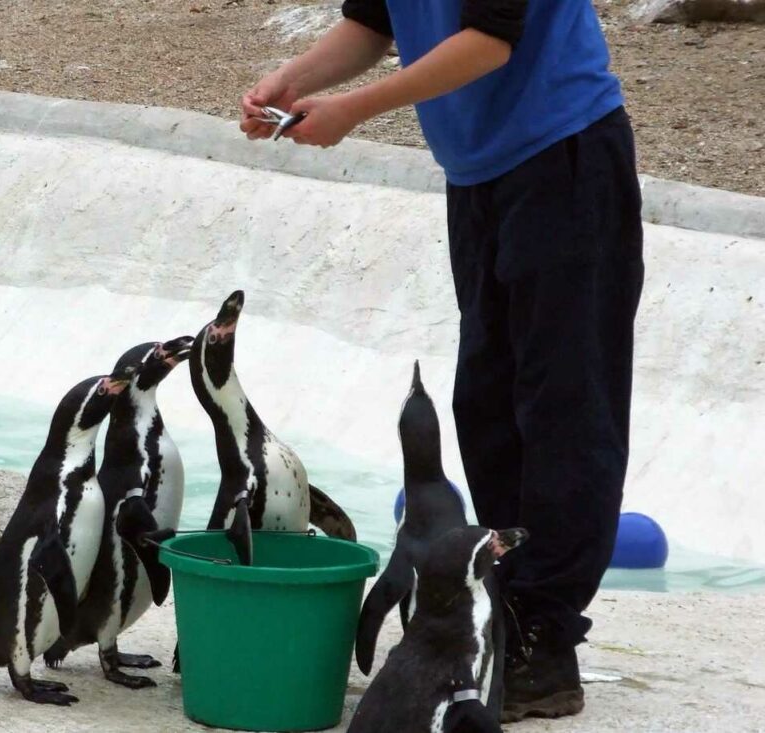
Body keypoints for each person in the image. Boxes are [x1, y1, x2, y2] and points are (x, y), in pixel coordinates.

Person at [238, 0, 645, 723]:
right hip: (479, 175)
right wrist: (290, 82)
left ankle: (545, 639)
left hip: (566, 154)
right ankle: (508, 618)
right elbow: (372, 23)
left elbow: (488, 43)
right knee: (485, 404)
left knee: (565, 408)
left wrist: (353, 111)